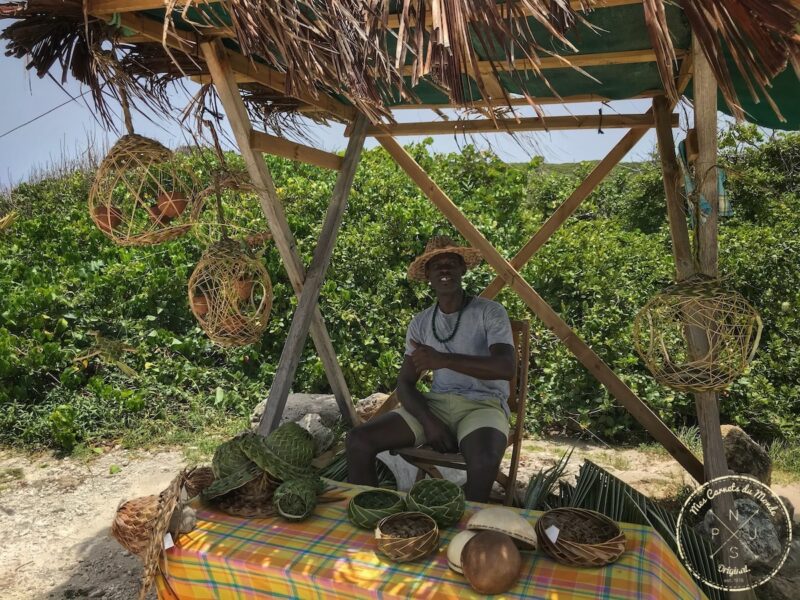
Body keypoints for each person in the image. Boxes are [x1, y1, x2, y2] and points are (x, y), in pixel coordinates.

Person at [346, 235, 515, 502]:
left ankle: (467, 534)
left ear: (463, 269)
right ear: (428, 275)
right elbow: (405, 384)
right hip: (436, 406)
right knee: (358, 440)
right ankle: (371, 516)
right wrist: (429, 423)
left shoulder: (490, 312)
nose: (445, 269)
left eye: (451, 263)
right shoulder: (422, 323)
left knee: (483, 461)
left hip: (483, 405)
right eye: (437, 265)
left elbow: (506, 367)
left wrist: (444, 360)